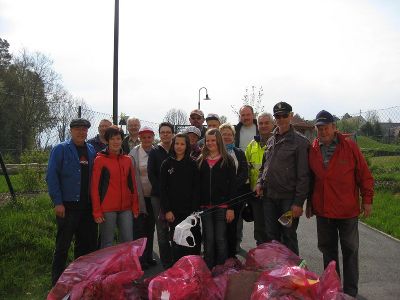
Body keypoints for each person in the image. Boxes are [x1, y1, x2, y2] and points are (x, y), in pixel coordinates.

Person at [307, 110, 374, 298]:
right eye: (319, 128)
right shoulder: (312, 149)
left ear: (334, 128)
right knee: (328, 252)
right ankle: (332, 288)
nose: (323, 132)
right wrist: (310, 203)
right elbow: (311, 179)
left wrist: (367, 200)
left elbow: (365, 176)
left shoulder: (349, 147)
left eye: (326, 127)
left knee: (350, 252)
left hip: (347, 211)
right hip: (324, 211)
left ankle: (351, 292)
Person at [46, 118, 98, 286]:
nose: (81, 132)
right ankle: (57, 282)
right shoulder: (60, 149)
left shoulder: (91, 150)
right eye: (78, 129)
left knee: (85, 246)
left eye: (84, 129)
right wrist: (57, 202)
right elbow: (51, 176)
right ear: (71, 130)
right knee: (63, 245)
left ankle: (80, 279)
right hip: (68, 206)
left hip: (87, 207)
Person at [256, 102, 310, 255]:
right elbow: (265, 166)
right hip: (269, 197)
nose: (281, 119)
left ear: (291, 116)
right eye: (277, 116)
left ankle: (294, 275)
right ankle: (276, 273)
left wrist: (298, 203)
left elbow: (304, 176)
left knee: (288, 236)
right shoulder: (272, 139)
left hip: (288, 199)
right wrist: (260, 182)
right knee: (271, 237)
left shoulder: (300, 142)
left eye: (284, 115)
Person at [90, 126, 139, 248]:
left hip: (126, 208)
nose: (116, 142)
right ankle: (107, 267)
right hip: (107, 209)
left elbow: (132, 184)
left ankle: (125, 267)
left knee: (128, 241)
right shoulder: (100, 160)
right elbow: (94, 187)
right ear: (107, 140)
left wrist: (135, 205)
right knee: (107, 243)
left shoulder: (127, 160)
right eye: (112, 139)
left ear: (122, 140)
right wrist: (97, 211)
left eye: (118, 138)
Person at [198, 128, 236, 269]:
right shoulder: (201, 160)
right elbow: (197, 185)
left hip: (222, 207)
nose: (210, 143)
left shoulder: (227, 160)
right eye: (208, 140)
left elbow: (233, 186)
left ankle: (222, 268)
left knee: (220, 238)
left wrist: (230, 208)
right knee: (208, 239)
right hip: (205, 207)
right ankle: (208, 267)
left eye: (213, 140)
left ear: (219, 141)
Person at [160, 133, 201, 263]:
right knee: (177, 241)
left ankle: (194, 267)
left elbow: (196, 188)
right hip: (174, 212)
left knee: (192, 240)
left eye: (182, 144)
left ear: (187, 146)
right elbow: (163, 189)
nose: (179, 146)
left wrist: (194, 211)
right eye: (177, 143)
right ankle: (178, 269)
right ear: (173, 145)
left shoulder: (192, 164)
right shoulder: (166, 164)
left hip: (190, 212)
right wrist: (167, 210)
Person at [129, 126, 157, 269]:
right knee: (139, 229)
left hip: (152, 197)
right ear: (139, 138)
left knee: (150, 228)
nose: (146, 140)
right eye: (143, 137)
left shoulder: (157, 151)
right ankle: (139, 259)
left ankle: (148, 256)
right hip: (139, 197)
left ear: (153, 138)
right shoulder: (134, 153)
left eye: (149, 137)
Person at [219, 123, 249, 258]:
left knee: (232, 228)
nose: (226, 136)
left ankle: (231, 256)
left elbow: (244, 173)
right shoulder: (214, 152)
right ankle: (219, 256)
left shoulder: (239, 153)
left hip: (236, 196)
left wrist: (231, 186)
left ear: (233, 136)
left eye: (229, 134)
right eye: (223, 134)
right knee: (219, 229)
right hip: (218, 197)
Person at [147, 122, 175, 269]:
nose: (165, 134)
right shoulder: (154, 151)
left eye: (168, 132)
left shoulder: (177, 149)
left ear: (172, 133)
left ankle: (177, 259)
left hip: (176, 197)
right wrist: (162, 191)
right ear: (159, 134)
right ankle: (166, 263)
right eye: (162, 132)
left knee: (176, 228)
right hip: (157, 197)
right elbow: (151, 174)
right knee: (162, 229)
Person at [245, 112, 274, 245]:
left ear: (272, 124)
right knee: (259, 229)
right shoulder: (252, 145)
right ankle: (261, 258)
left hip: (272, 194)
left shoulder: (278, 142)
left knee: (272, 229)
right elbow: (246, 167)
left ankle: (274, 260)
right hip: (255, 194)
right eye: (261, 123)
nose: (263, 126)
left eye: (267, 123)